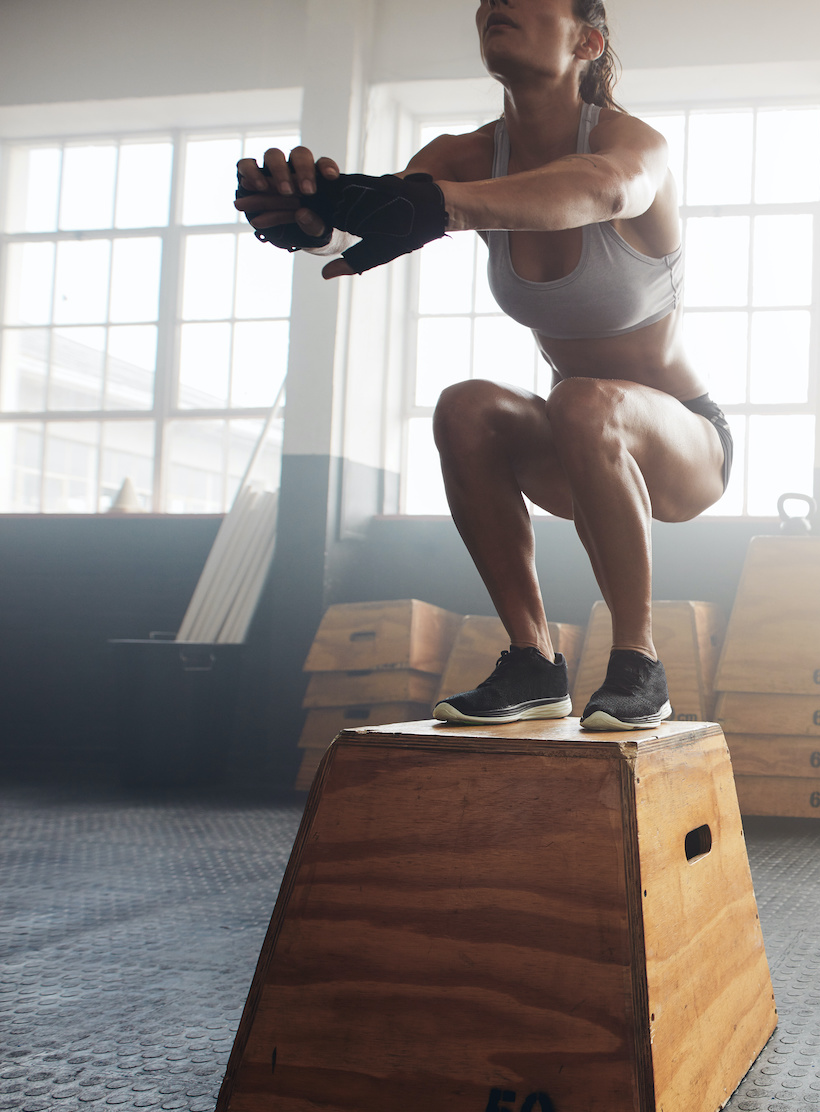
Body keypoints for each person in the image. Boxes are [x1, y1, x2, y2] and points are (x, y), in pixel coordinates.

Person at [235, 0, 725, 731]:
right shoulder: (464, 156)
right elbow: (372, 217)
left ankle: (637, 663)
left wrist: (443, 208)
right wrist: (306, 215)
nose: (496, 2)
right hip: (575, 443)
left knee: (586, 399)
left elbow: (602, 189)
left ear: (587, 40)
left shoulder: (633, 144)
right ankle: (532, 660)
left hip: (683, 443)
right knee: (465, 406)